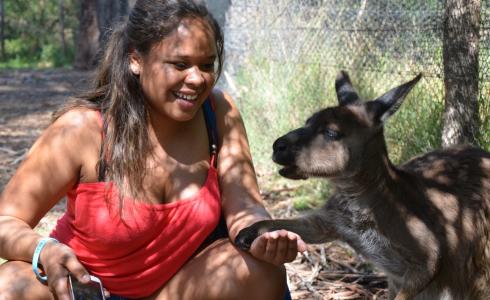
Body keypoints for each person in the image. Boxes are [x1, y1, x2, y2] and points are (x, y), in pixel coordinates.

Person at [0, 0, 306, 299]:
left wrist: (260, 235)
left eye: (207, 65)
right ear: (136, 59)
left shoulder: (219, 112)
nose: (197, 79)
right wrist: (43, 250)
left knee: (261, 270)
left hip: (175, 289)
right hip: (83, 288)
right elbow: (6, 222)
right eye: (180, 64)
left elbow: (245, 206)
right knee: (9, 284)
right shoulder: (82, 129)